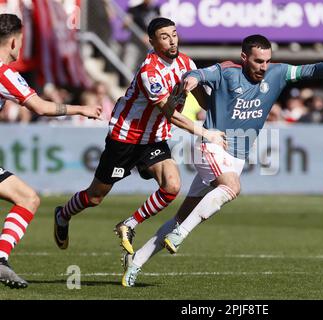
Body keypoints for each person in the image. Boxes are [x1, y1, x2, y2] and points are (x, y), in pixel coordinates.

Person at [120, 34, 323, 286]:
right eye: (258, 61)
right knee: (231, 188)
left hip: (237, 157)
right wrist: (190, 80)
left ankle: (136, 263)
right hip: (212, 144)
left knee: (182, 215)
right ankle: (181, 234)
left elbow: (308, 70)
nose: (263, 67)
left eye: (267, 61)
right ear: (244, 58)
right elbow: (199, 74)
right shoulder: (227, 71)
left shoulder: (277, 73)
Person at [53, 18, 225, 256]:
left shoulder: (186, 63)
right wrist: (206, 133)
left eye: (174, 34)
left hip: (154, 138)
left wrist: (223, 111)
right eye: (164, 37)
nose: (172, 40)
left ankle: (129, 224)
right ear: (152, 41)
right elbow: (171, 114)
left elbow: (203, 100)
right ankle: (63, 214)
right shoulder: (149, 72)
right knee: (94, 197)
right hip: (126, 137)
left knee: (172, 186)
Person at [0, 14, 102, 289]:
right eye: (20, 41)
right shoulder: (5, 74)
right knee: (28, 199)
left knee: (27, 198)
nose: (21, 46)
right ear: (12, 42)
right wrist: (80, 108)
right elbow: (41, 107)